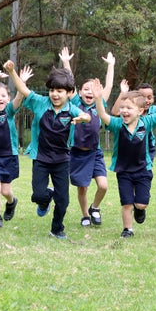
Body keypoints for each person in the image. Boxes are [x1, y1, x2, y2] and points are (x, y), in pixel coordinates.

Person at [92, 78, 156, 238]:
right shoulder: (118, 125)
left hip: (143, 170)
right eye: (122, 108)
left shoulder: (146, 122)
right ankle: (127, 229)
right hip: (123, 171)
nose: (124, 111)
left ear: (140, 111)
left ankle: (140, 209)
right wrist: (98, 99)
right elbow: (102, 115)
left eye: (129, 108)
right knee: (126, 203)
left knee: (140, 203)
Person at [2, 59, 91, 240]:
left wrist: (82, 118)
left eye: (59, 91)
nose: (55, 94)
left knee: (63, 201)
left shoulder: (71, 108)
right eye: (52, 90)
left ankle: (57, 229)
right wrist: (12, 73)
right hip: (41, 158)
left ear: (69, 93)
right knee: (38, 195)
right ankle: (45, 200)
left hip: (62, 161)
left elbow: (87, 115)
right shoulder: (40, 103)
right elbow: (23, 89)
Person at [59, 47, 115, 227]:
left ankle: (95, 208)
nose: (89, 92)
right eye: (85, 89)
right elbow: (69, 80)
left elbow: (109, 86)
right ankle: (85, 215)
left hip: (94, 152)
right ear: (80, 92)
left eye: (92, 89)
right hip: (76, 153)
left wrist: (111, 66)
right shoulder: (75, 102)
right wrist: (66, 61)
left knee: (103, 185)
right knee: (82, 187)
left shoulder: (100, 103)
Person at [0, 66, 33, 228]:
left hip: (9, 155)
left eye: (3, 95)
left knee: (5, 191)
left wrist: (21, 81)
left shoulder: (9, 111)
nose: (0, 98)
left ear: (7, 99)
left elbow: (20, 95)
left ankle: (12, 202)